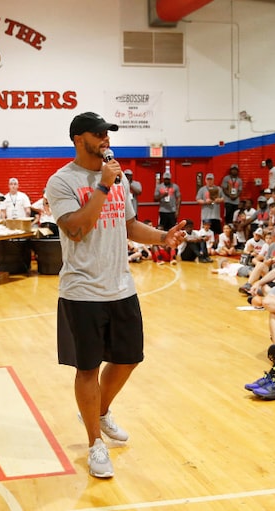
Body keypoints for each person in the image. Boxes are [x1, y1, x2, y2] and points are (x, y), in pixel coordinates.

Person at [44, 112, 185, 479]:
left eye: (108, 132)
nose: (106, 138)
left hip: (121, 287)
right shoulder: (61, 182)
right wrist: (103, 187)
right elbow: (75, 229)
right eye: (98, 133)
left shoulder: (118, 177)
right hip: (81, 291)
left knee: (128, 358)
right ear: (79, 138)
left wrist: (161, 238)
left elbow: (128, 225)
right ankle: (95, 444)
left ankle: (99, 411)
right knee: (87, 368)